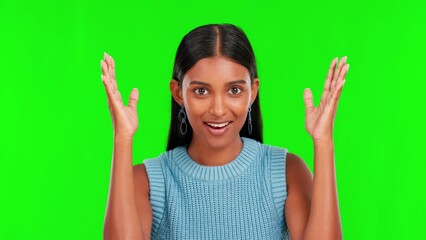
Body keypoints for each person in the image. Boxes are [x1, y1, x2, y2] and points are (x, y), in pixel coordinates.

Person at [101, 23, 349, 240]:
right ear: (178, 93)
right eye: (201, 91)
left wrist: (323, 140)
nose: (218, 110)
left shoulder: (286, 172)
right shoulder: (147, 181)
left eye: (234, 90)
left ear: (253, 91)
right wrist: (122, 137)